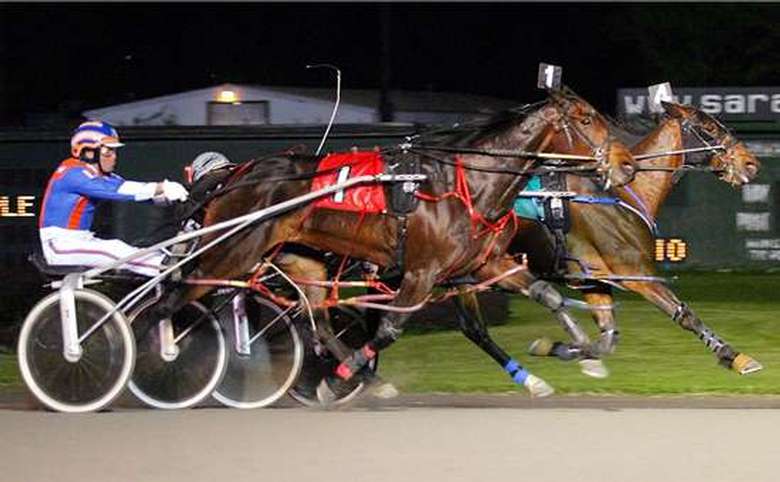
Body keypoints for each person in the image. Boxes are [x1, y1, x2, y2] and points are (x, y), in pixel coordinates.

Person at [38, 120, 190, 277]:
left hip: (82, 240)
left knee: (136, 251)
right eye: (108, 152)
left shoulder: (101, 175)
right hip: (60, 246)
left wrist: (169, 198)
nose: (114, 157)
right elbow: (121, 190)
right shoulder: (72, 173)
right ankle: (167, 268)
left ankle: (165, 270)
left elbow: (139, 195)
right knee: (116, 250)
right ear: (89, 152)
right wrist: (162, 187)